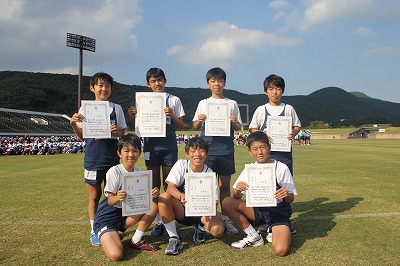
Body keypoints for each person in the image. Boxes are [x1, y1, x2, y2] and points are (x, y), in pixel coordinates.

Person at [70, 72, 127, 246]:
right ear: (92, 88)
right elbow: (82, 136)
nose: (104, 89)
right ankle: (94, 229)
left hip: (111, 158)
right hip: (93, 157)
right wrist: (73, 124)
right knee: (94, 195)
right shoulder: (85, 109)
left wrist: (117, 131)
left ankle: (109, 224)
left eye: (107, 86)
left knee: (112, 194)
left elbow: (123, 132)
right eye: (100, 85)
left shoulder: (116, 108)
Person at [128, 68, 185, 237]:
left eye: (160, 80)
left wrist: (172, 115)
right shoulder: (142, 101)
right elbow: (138, 126)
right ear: (148, 84)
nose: (157, 83)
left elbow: (181, 126)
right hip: (151, 147)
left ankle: (170, 221)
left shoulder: (173, 100)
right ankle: (158, 221)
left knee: (169, 185)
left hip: (168, 147)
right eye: (153, 81)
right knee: (153, 185)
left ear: (165, 81)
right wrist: (133, 116)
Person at [222, 131, 297, 256]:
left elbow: (291, 199)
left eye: (263, 147)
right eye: (255, 149)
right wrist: (237, 191)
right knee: (227, 202)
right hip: (258, 211)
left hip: (278, 213)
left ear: (269, 148)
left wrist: (286, 194)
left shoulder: (281, 167)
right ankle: (254, 236)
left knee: (281, 250)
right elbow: (236, 197)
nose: (260, 152)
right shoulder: (250, 169)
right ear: (250, 152)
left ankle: (273, 228)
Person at [93, 134, 159, 262]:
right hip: (107, 218)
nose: (131, 154)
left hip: (125, 216)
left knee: (154, 204)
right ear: (119, 153)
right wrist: (118, 197)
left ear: (139, 153)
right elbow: (110, 201)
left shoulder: (140, 173)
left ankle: (136, 240)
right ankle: (109, 235)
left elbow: (145, 199)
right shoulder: (114, 171)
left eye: (135, 151)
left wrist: (154, 193)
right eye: (126, 151)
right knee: (116, 255)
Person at [192, 67, 242, 235]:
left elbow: (239, 126)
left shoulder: (232, 103)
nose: (217, 84)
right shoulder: (203, 103)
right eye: (213, 81)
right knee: (207, 185)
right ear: (208, 84)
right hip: (208, 150)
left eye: (220, 81)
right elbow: (195, 126)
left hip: (226, 149)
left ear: (224, 83)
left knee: (225, 186)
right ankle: (207, 218)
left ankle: (227, 218)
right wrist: (199, 121)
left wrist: (234, 122)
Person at [158, 136, 225, 255]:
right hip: (182, 210)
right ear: (187, 153)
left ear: (207, 154)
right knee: (164, 197)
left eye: (202, 150)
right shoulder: (182, 165)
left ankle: (200, 228)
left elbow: (214, 199)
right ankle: (174, 238)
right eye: (193, 151)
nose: (197, 154)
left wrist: (212, 206)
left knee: (218, 230)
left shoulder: (209, 173)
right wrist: (181, 196)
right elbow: (170, 187)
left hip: (201, 212)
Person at [249, 74, 301, 175]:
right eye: (271, 89)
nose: (274, 92)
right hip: (266, 155)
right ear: (266, 91)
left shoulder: (289, 109)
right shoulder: (261, 109)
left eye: (278, 89)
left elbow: (297, 126)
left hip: (285, 155)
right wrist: (262, 134)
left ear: (283, 91)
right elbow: (252, 128)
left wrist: (293, 133)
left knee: (285, 187)